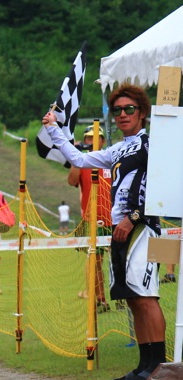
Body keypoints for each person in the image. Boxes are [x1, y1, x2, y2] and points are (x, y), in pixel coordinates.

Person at [42, 83, 166, 380]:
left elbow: (161, 191)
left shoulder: (152, 144)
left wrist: (134, 217)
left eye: (129, 109)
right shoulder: (118, 148)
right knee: (133, 298)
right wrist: (55, 130)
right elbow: (81, 160)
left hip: (144, 227)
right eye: (117, 110)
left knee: (147, 297)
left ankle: (160, 366)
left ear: (142, 113)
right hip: (119, 227)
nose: (123, 115)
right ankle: (144, 365)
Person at [68, 125, 112, 312]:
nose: (92, 141)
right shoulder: (83, 162)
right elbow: (71, 181)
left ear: (102, 141)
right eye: (88, 138)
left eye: (95, 138)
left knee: (119, 262)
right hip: (92, 220)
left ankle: (123, 298)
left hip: (115, 220)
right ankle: (100, 299)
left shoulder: (110, 159)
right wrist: (76, 157)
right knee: (95, 263)